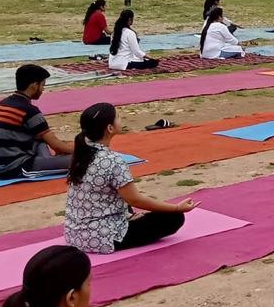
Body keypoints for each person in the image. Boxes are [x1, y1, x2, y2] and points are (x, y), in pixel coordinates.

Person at [65, 103, 194, 254]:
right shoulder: (113, 161)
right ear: (110, 128)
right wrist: (176, 208)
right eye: (118, 117)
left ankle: (128, 217)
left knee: (121, 197)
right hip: (102, 237)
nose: (121, 119)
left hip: (75, 234)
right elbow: (135, 200)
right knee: (173, 218)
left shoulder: (82, 154)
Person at [0, 65, 76, 180]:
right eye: (42, 85)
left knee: (41, 140)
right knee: (85, 159)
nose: (43, 89)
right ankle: (49, 162)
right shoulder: (29, 111)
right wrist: (83, 151)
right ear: (34, 85)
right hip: (12, 167)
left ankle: (49, 161)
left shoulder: (4, 103)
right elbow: (57, 146)